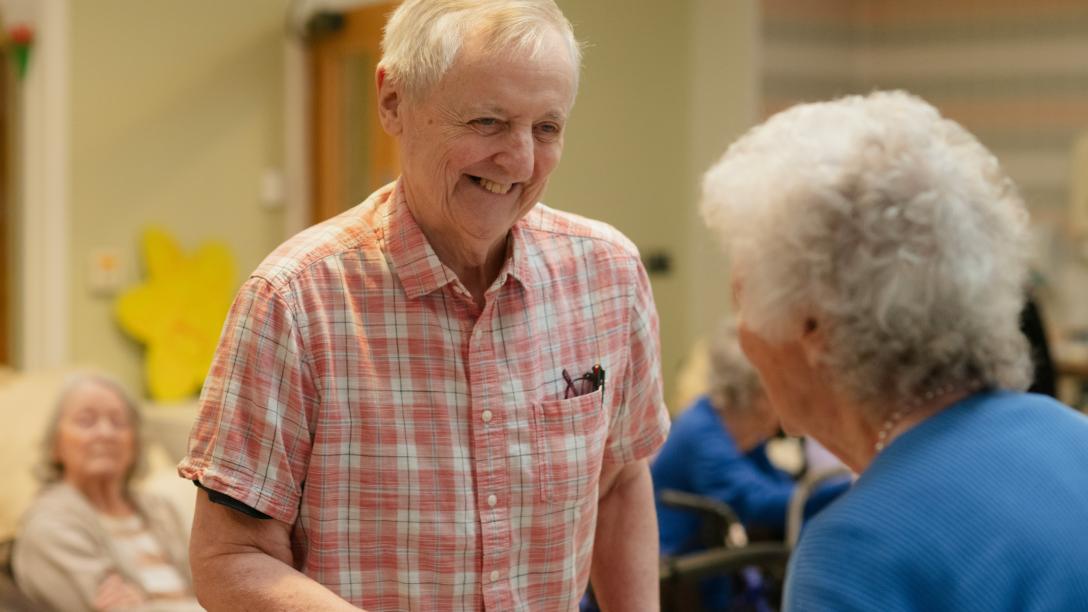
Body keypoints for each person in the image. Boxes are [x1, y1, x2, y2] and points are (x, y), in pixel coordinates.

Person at [178, 1, 671, 610]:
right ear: (393, 100)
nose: (520, 161)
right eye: (488, 121)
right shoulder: (294, 302)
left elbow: (619, 483)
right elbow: (228, 559)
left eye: (547, 128)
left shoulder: (608, 276)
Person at [700, 90, 1088, 611]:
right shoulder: (1071, 436)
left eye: (741, 296)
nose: (742, 333)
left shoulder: (857, 551)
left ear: (811, 326)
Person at [652, 319, 847, 611]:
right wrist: (850, 488)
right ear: (760, 395)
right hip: (678, 579)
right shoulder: (699, 430)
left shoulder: (745, 432)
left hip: (714, 565)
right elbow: (756, 500)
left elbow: (777, 487)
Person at [13, 374, 199, 612]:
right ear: (55, 445)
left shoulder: (161, 508)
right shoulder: (48, 524)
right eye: (86, 421)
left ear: (136, 442)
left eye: (118, 422)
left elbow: (212, 589)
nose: (105, 432)